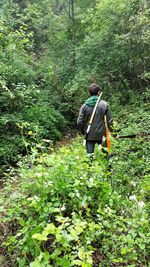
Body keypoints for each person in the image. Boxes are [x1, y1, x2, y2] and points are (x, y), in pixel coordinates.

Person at [77, 83, 113, 155]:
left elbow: (79, 122)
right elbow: (110, 121)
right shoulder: (104, 104)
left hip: (89, 134)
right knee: (105, 155)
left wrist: (83, 132)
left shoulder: (84, 106)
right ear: (99, 92)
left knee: (90, 157)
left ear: (89, 93)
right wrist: (114, 133)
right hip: (102, 134)